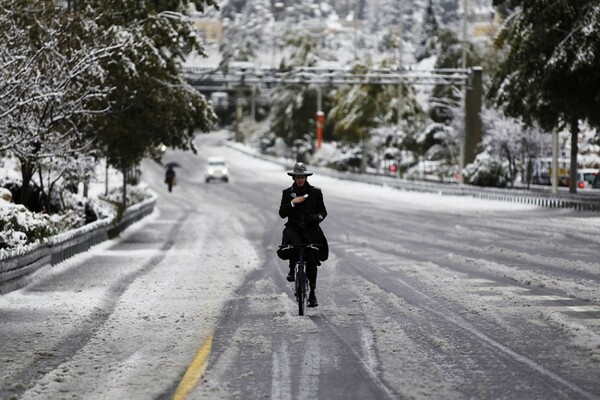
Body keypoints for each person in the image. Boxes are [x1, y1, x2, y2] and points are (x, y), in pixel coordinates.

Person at [277, 162, 329, 307]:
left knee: (312, 260)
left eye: (302, 177)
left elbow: (323, 211)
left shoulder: (316, 192)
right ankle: (292, 268)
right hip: (293, 228)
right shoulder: (287, 193)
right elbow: (282, 213)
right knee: (293, 245)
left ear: (306, 178)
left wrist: (317, 218)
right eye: (297, 177)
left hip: (311, 229)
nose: (300, 180)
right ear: (294, 178)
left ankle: (312, 293)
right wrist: (292, 203)